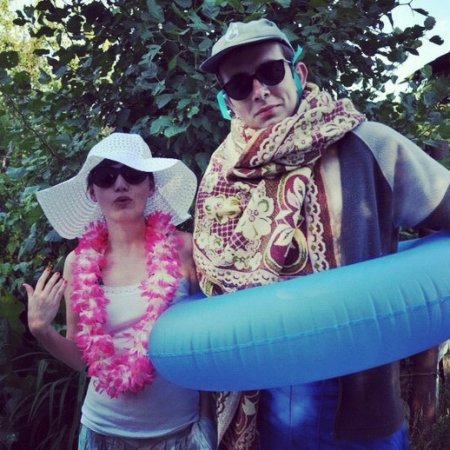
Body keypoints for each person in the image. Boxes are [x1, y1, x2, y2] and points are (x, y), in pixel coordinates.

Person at [193, 18, 450, 449]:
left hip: (365, 398)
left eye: (270, 71)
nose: (259, 91)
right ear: (228, 102)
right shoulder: (223, 176)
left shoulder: (370, 145)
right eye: (239, 85)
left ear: (298, 72)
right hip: (270, 397)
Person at [24, 133, 216, 450]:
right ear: (92, 192)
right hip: (102, 433)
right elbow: (83, 360)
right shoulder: (78, 263)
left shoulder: (185, 248)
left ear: (150, 186)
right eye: (106, 177)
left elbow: (207, 341)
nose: (120, 184)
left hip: (181, 430)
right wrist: (42, 331)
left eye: (133, 174)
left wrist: (208, 420)